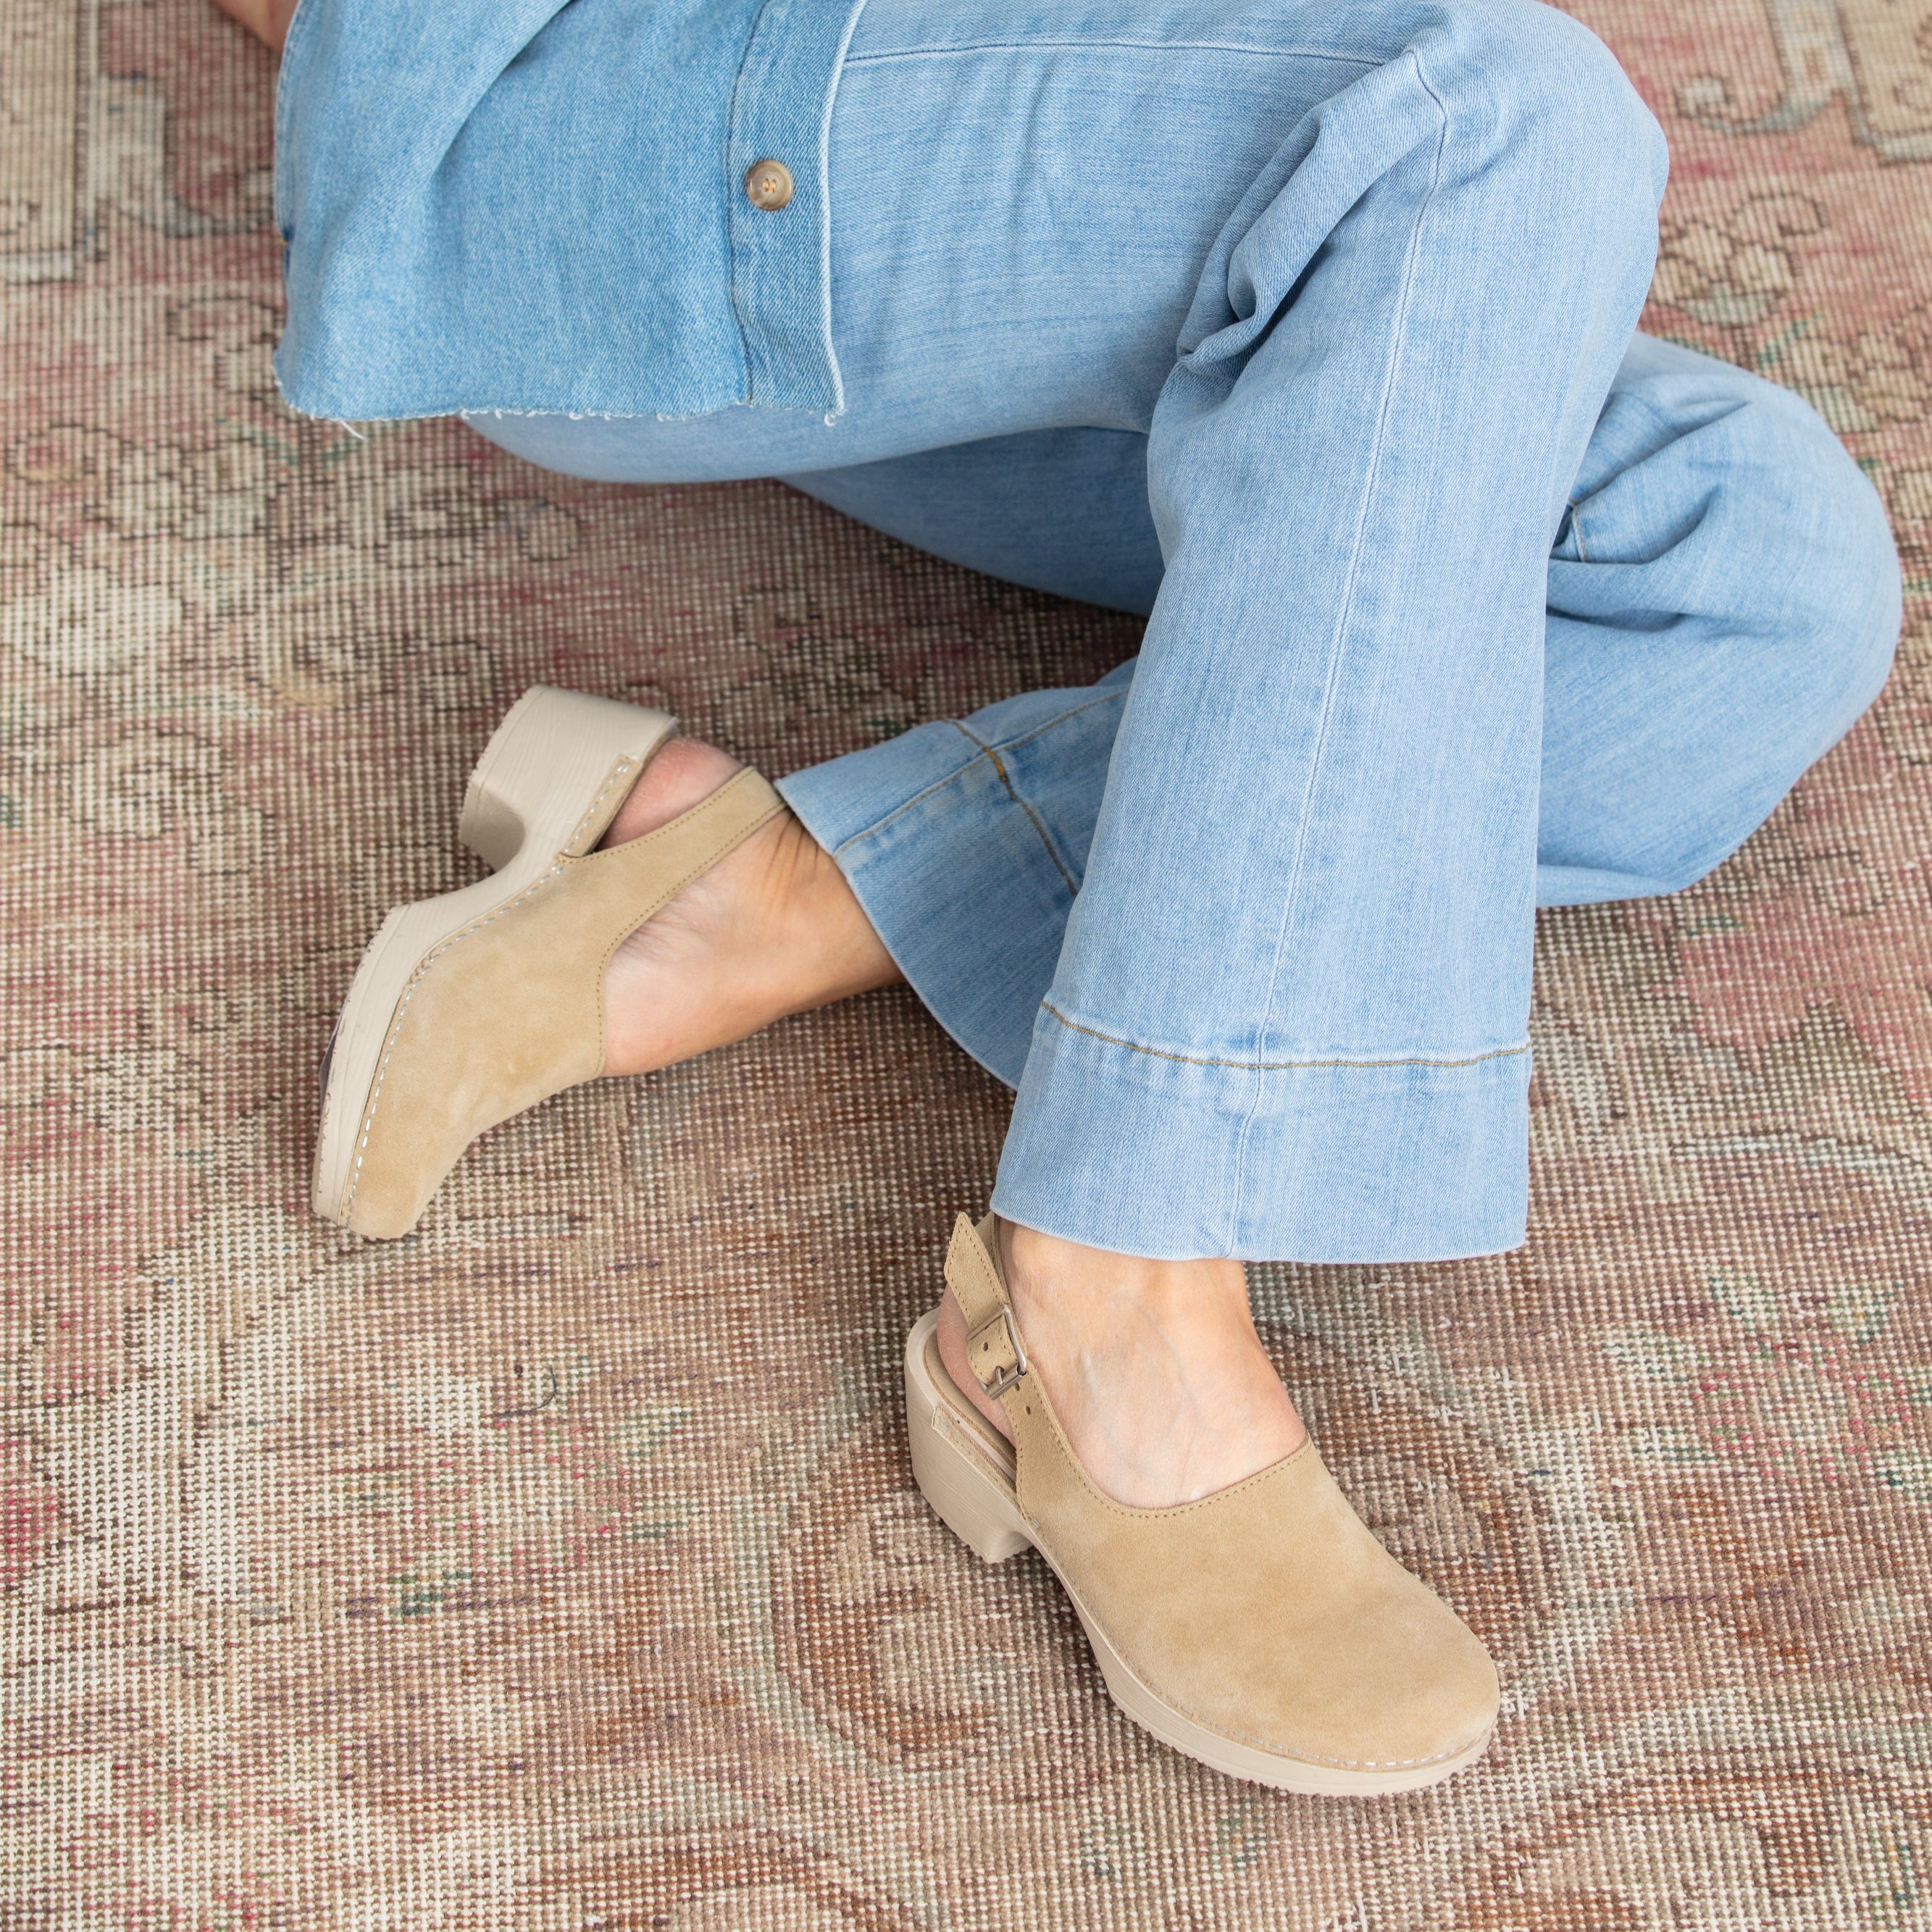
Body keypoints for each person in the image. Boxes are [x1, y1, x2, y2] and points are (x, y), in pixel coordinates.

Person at [228, 0, 1902, 1792]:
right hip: (627, 123)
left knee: (1749, 568)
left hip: (1031, 143)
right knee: (1486, 125)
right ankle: (1113, 1289)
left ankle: (791, 884)